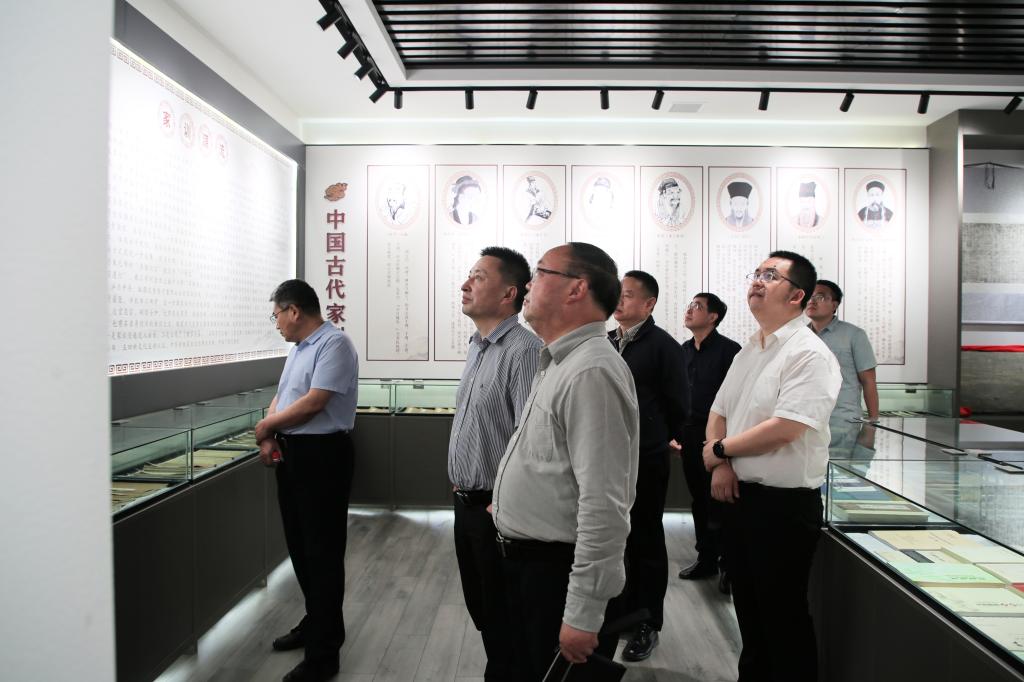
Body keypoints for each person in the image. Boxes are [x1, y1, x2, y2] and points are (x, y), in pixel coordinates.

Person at [491, 242, 639, 680]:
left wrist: (583, 612)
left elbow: (605, 503)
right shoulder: (560, 360)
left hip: (555, 575)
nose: (528, 285)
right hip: (529, 567)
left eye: (540, 273)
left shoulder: (592, 370)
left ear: (577, 289)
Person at [702, 251, 840, 682]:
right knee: (749, 614)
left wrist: (719, 450)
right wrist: (722, 464)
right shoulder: (751, 348)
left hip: (783, 508)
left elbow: (786, 428)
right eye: (757, 273)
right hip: (740, 498)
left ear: (797, 295)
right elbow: (719, 410)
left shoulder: (809, 354)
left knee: (783, 619)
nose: (757, 281)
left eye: (770, 275)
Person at [255, 279, 359, 682]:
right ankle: (316, 622)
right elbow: (283, 397)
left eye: (277, 315)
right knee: (300, 546)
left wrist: (266, 427)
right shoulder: (299, 349)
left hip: (323, 457)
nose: (277, 323)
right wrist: (269, 433)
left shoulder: (335, 345)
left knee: (322, 553)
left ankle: (324, 655)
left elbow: (314, 403)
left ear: (294, 310)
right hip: (293, 454)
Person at [449, 246, 541, 680]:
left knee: (506, 619)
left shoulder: (524, 351)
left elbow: (530, 438)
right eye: (469, 275)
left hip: (496, 511)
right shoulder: (478, 347)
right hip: (466, 505)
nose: (465, 285)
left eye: (478, 277)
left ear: (509, 293)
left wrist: (503, 502)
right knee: (484, 609)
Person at [606, 270, 687, 662]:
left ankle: (647, 622)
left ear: (649, 303)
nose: (619, 301)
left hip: (646, 459)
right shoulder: (607, 341)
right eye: (617, 294)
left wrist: (656, 438)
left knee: (646, 539)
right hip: (608, 459)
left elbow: (679, 405)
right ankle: (621, 612)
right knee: (613, 537)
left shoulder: (664, 347)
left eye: (627, 295)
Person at [676, 293, 741, 594]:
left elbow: (735, 402)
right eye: (690, 305)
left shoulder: (730, 351)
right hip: (689, 436)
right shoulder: (683, 350)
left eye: (697, 307)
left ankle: (730, 565)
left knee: (722, 502)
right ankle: (706, 559)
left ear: (713, 317)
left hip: (718, 438)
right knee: (699, 500)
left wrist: (724, 446)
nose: (690, 310)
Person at [806, 279, 880, 422]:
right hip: (806, 419)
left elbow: (868, 381)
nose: (811, 301)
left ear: (834, 305)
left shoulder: (854, 335)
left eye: (819, 297)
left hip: (843, 421)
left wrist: (873, 421)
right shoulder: (799, 336)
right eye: (809, 296)